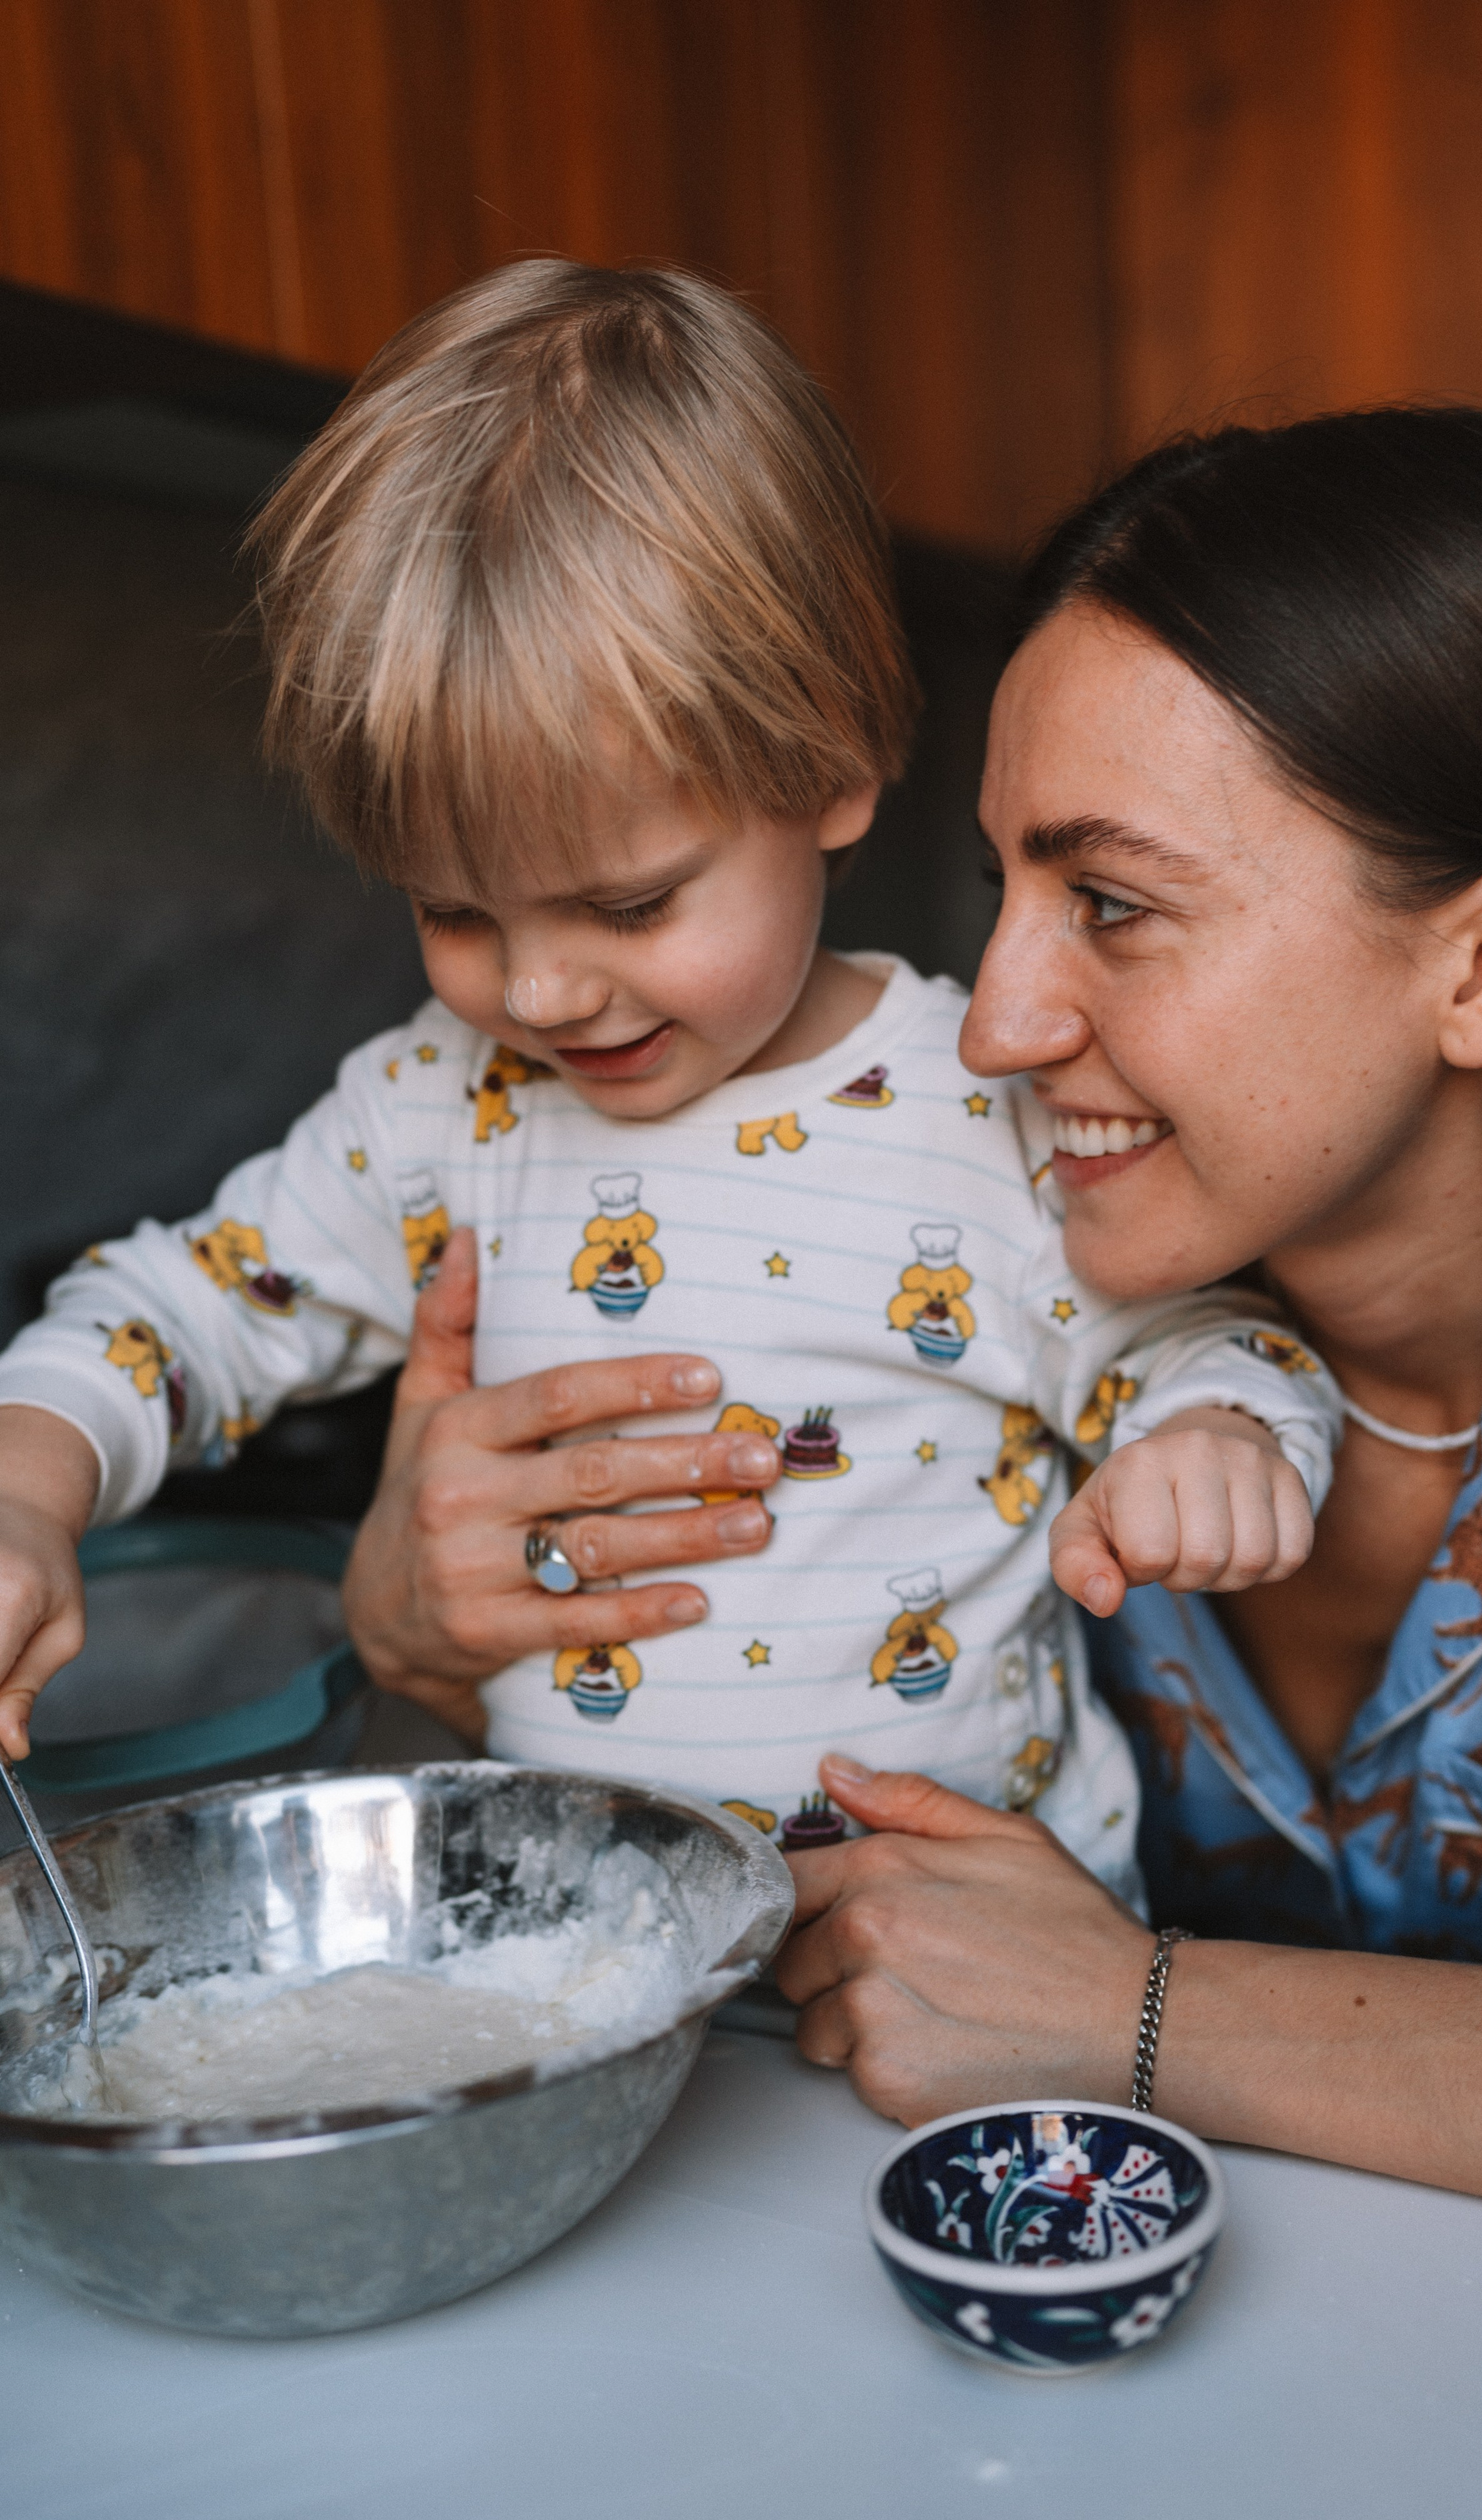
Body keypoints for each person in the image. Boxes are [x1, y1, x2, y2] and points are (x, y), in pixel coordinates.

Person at [334, 405, 1482, 2242]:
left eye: (1116, 905)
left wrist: (1137, 2015)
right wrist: (413, 1647)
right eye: (1009, 894)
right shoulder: (964, 1268)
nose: (993, 1024)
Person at [0, 261, 1339, 1898]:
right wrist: (25, 1486)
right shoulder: (442, 1111)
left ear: (832, 762)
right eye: (455, 910)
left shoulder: (984, 1097)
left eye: (630, 904)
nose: (545, 992)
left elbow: (1203, 1343)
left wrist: (1218, 1435)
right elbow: (169, 1315)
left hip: (958, 1952)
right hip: (584, 1943)